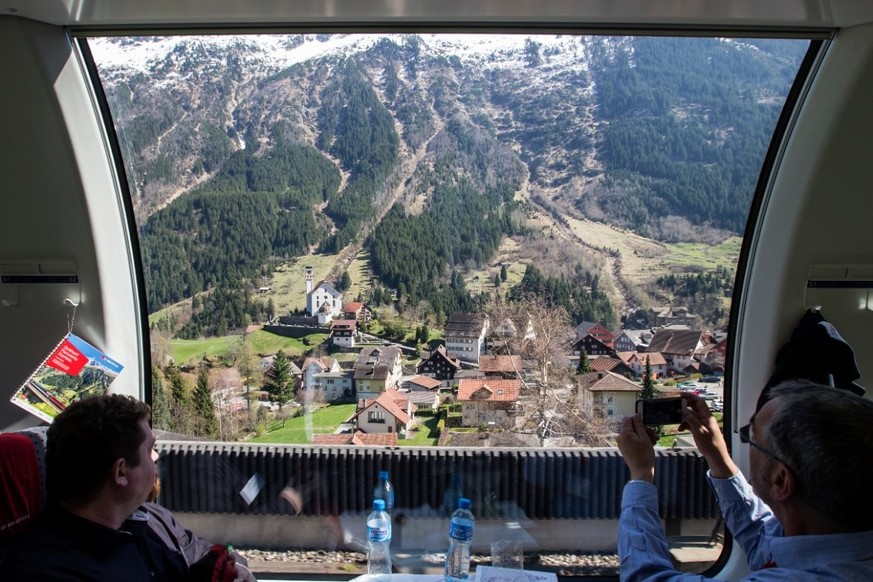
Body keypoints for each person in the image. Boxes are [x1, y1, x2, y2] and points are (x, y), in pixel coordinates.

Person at [617, 380, 873, 581]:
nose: (747, 441)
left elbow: (646, 577)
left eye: (752, 436)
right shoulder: (832, 548)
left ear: (781, 481)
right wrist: (717, 456)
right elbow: (763, 539)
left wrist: (641, 474)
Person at [3, 394, 256, 581]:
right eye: (149, 449)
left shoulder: (153, 520)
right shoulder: (46, 571)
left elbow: (200, 554)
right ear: (121, 472)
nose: (156, 457)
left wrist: (233, 569)